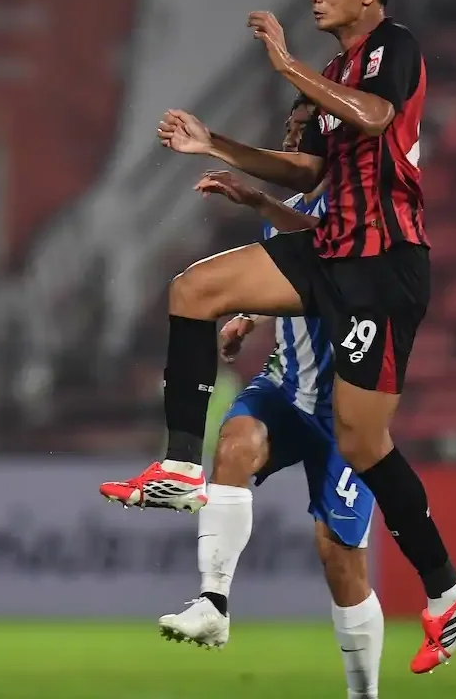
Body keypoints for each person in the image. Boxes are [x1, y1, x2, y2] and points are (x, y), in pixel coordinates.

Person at [102, 0, 456, 672]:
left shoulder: (392, 50)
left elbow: (375, 117)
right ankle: (181, 468)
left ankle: (447, 590)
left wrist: (283, 62)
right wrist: (214, 143)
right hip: (331, 251)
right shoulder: (339, 72)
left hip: (384, 267)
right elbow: (308, 175)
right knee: (195, 287)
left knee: (364, 444)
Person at [156, 97, 384, 699]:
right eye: (288, 125)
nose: (291, 133)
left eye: (303, 126)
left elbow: (329, 249)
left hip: (346, 408)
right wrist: (250, 316)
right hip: (286, 385)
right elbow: (294, 279)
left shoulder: (357, 203)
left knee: (339, 558)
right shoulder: (289, 210)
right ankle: (212, 603)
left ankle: (365, 694)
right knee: (232, 445)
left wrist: (260, 201)